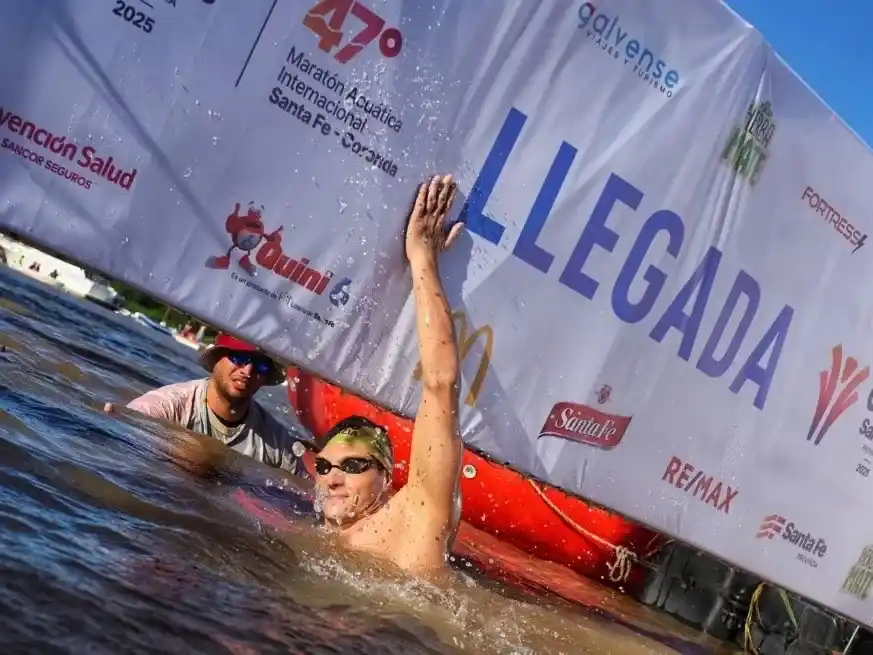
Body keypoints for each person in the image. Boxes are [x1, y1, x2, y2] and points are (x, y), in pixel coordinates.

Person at [313, 174, 464, 575]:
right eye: (324, 467)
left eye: (353, 466)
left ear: (386, 477)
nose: (333, 479)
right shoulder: (319, 537)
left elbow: (441, 383)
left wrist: (422, 257)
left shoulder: (412, 519)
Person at [106, 333, 309, 478]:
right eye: (239, 358)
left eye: (260, 365)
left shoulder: (278, 443)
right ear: (216, 360)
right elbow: (118, 444)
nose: (247, 371)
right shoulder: (167, 405)